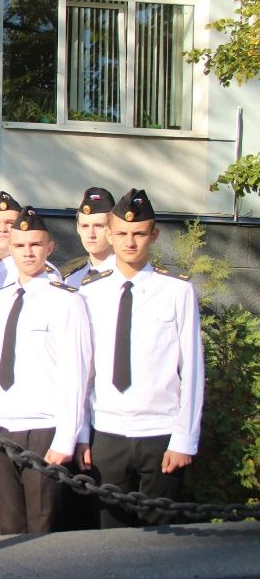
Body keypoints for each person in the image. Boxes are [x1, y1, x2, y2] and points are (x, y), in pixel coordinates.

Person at [77, 189, 204, 528]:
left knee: (159, 540)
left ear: (154, 235)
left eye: (139, 233)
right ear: (109, 234)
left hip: (160, 433)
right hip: (106, 432)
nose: (130, 242)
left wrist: (184, 439)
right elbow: (83, 372)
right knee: (109, 534)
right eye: (122, 233)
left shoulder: (177, 291)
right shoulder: (89, 293)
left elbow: (192, 370)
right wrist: (81, 434)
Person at [0, 208, 91, 535]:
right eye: (19, 245)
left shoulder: (66, 300)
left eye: (35, 244)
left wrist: (67, 437)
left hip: (43, 429)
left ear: (49, 247)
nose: (27, 252)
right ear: (10, 248)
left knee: (42, 528)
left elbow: (77, 372)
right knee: (7, 528)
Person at [64, 188, 117, 288]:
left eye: (98, 226)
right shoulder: (71, 279)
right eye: (85, 226)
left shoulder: (126, 275)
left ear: (114, 229)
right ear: (78, 228)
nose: (91, 234)